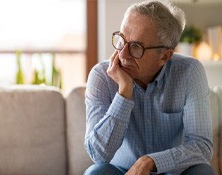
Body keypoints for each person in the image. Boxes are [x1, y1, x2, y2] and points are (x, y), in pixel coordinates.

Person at [84, 0, 215, 175]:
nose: (122, 54)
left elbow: (201, 146)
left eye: (136, 47)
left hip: (172, 172)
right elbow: (98, 154)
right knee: (96, 172)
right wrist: (124, 92)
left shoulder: (190, 72)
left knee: (203, 172)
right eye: (122, 40)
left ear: (165, 56)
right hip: (122, 171)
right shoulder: (101, 76)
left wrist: (151, 161)